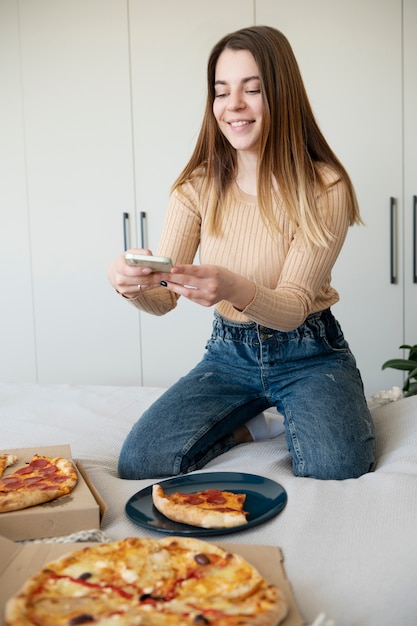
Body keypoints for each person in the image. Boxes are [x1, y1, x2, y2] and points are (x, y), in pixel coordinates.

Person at [107, 25, 375, 481]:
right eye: (221, 91)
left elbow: (292, 308)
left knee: (337, 466)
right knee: (141, 460)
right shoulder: (195, 187)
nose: (233, 105)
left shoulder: (325, 186)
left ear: (282, 97)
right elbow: (163, 298)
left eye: (252, 90)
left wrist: (232, 285)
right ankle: (247, 429)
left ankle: (287, 413)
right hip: (228, 354)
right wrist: (128, 283)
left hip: (310, 352)